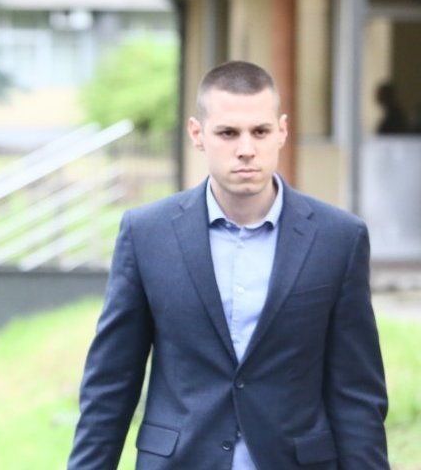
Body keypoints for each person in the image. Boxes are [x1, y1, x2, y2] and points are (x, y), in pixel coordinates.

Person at [68, 61, 389, 469]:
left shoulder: (338, 238)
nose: (246, 149)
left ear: (282, 131)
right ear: (197, 134)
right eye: (228, 133)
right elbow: (111, 384)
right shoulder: (146, 234)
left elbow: (356, 394)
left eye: (260, 131)